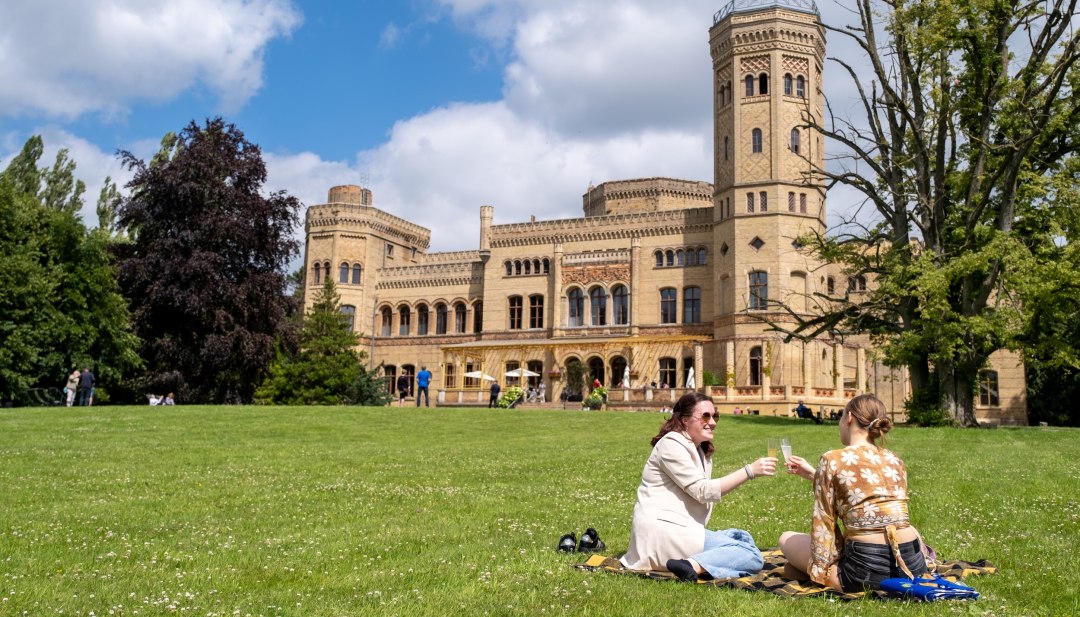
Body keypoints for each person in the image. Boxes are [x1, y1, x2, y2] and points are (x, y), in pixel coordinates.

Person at [621, 392, 777, 582]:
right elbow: (702, 492)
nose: (712, 422)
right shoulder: (671, 444)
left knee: (741, 537)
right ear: (685, 420)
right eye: (705, 416)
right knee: (752, 556)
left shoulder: (698, 449)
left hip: (681, 528)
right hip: (661, 533)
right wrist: (749, 471)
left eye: (715, 416)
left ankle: (698, 563)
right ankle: (692, 565)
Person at [779, 394, 929, 591]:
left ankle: (822, 574)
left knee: (786, 539)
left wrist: (821, 569)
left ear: (848, 418)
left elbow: (824, 523)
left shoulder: (832, 459)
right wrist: (814, 475)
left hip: (865, 570)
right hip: (912, 564)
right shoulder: (895, 459)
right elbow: (867, 494)